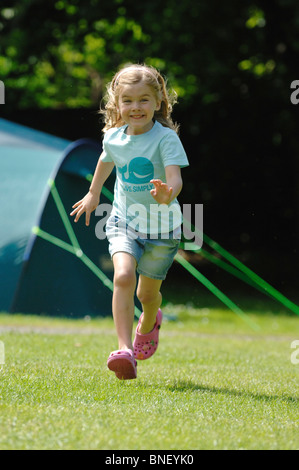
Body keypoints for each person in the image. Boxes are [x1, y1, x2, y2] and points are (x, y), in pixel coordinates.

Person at [70, 64, 189, 380]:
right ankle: (124, 349)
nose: (136, 107)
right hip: (124, 221)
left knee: (145, 295)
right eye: (128, 101)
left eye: (144, 100)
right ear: (117, 104)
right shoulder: (114, 137)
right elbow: (105, 159)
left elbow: (175, 179)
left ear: (158, 102)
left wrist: (168, 194)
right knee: (123, 276)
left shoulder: (166, 139)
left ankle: (150, 319)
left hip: (163, 229)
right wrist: (94, 194)